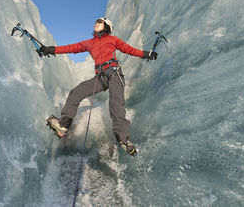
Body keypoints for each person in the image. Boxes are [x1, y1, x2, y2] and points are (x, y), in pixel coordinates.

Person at [40, 18, 157, 156]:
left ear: (106, 26)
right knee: (76, 92)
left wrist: (146, 54)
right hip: (100, 77)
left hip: (114, 73)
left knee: (116, 104)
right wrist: (50, 49)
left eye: (100, 22)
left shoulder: (113, 39)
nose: (96, 23)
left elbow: (129, 50)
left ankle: (124, 140)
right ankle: (63, 125)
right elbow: (71, 48)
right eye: (95, 22)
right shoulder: (90, 43)